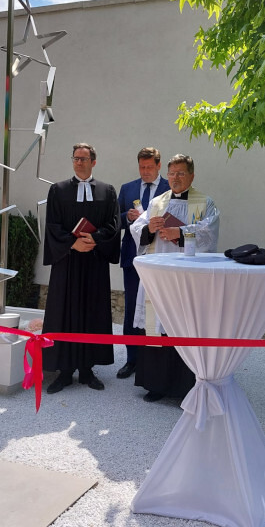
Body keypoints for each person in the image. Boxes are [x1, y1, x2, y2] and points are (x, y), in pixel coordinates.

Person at [131, 153, 219, 402]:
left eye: (181, 173)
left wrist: (179, 233)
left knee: (184, 327)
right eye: (172, 173)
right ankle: (156, 384)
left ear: (192, 175)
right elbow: (136, 228)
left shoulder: (205, 202)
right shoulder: (157, 202)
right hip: (159, 277)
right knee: (156, 327)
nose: (175, 178)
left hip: (187, 279)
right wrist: (148, 228)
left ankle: (185, 387)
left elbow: (210, 234)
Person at [42, 143, 121, 393]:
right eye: (75, 158)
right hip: (67, 262)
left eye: (83, 159)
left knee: (92, 312)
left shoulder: (107, 191)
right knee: (64, 313)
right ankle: (64, 372)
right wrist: (72, 243)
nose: (78, 162)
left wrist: (94, 239)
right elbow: (52, 225)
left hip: (94, 262)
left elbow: (114, 224)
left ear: (93, 162)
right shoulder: (58, 190)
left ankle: (87, 370)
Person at [116, 147, 169, 379]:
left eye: (149, 167)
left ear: (159, 165)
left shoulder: (170, 188)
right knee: (131, 309)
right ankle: (132, 360)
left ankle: (154, 362)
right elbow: (114, 220)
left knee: (158, 309)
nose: (145, 171)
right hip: (133, 257)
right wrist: (127, 218)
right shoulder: (127, 188)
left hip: (161, 259)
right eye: (141, 167)